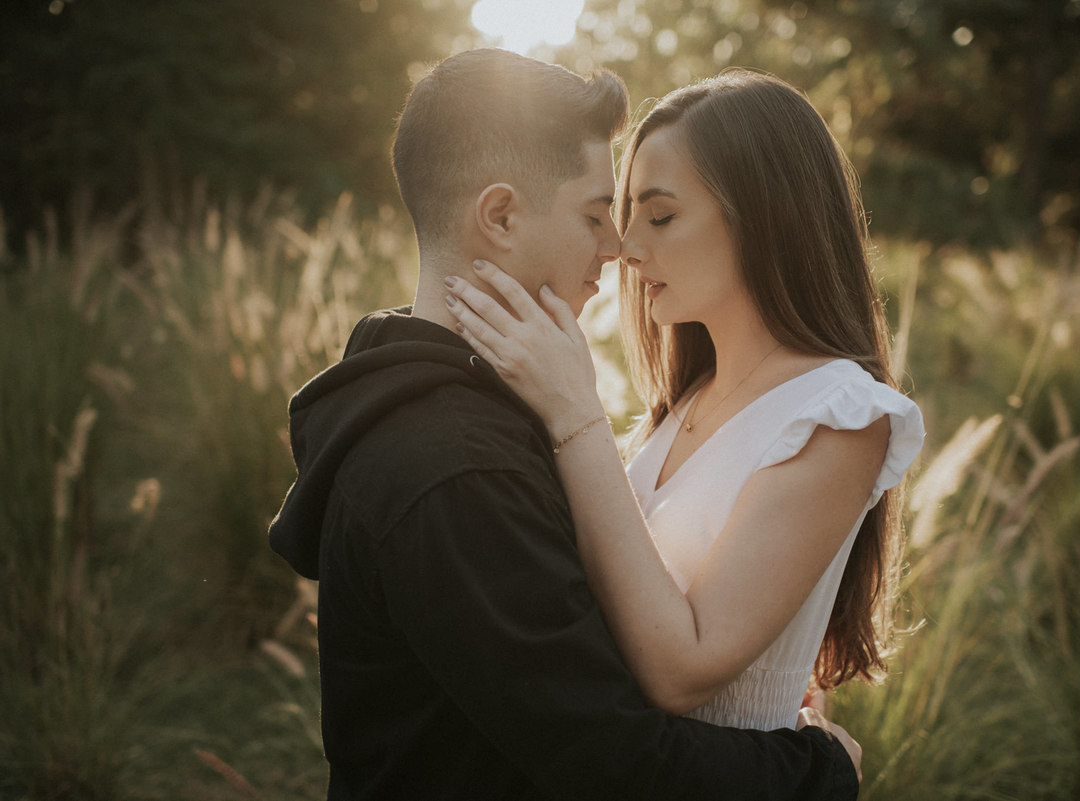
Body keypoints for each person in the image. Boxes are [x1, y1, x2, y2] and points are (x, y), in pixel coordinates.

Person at [268, 49, 861, 800]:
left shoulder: (476, 408)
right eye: (595, 215)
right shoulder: (457, 469)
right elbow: (615, 762)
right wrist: (820, 770)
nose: (617, 250)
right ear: (502, 216)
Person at [444, 70, 925, 733]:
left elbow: (681, 670)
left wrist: (575, 413)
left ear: (765, 217)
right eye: (623, 214)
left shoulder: (839, 415)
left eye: (661, 215)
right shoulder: (684, 404)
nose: (627, 249)